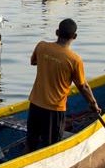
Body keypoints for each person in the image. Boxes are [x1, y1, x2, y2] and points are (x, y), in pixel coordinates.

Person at [27, 18, 101, 152]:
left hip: (35, 104)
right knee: (50, 147)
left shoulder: (41, 46)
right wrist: (93, 104)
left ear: (57, 32)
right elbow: (83, 86)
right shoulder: (74, 60)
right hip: (54, 110)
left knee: (31, 142)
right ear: (74, 37)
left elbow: (34, 62)